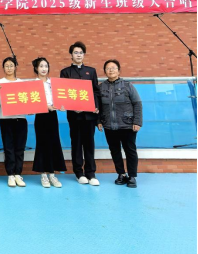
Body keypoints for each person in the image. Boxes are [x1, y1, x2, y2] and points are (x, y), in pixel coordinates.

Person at [60, 41, 101, 187]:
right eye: (75, 53)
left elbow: (96, 91)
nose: (78, 55)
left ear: (84, 55)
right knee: (76, 144)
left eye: (81, 53)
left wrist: (96, 107)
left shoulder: (91, 71)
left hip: (89, 115)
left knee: (89, 144)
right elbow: (63, 92)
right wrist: (72, 107)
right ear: (71, 55)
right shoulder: (65, 72)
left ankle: (91, 173)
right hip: (75, 116)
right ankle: (79, 173)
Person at [98, 60, 142, 189]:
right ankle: (121, 174)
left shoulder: (128, 86)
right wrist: (98, 121)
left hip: (127, 125)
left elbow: (137, 104)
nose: (111, 70)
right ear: (105, 71)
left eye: (113, 68)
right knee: (115, 151)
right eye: (108, 68)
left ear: (119, 71)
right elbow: (98, 106)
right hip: (109, 126)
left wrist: (137, 121)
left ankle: (132, 176)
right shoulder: (101, 87)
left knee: (130, 150)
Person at [32, 57, 67, 188]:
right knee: (42, 144)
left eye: (46, 66)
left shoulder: (53, 83)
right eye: (41, 66)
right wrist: (45, 106)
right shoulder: (33, 84)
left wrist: (62, 105)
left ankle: (52, 174)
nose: (44, 69)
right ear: (36, 68)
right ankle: (43, 175)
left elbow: (61, 98)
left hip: (53, 116)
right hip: (41, 116)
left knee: (54, 143)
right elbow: (32, 102)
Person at [0, 57, 28, 188]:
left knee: (20, 148)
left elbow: (26, 101)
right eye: (6, 66)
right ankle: (10, 174)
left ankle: (18, 174)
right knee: (8, 148)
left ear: (15, 67)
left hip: (21, 119)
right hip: (6, 119)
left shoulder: (21, 83)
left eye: (11, 65)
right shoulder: (0, 82)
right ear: (3, 68)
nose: (9, 68)